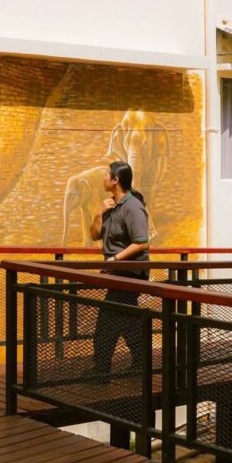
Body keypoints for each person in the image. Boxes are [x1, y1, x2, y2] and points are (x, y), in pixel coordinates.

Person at [86, 160, 149, 379]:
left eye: (106, 174)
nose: (103, 178)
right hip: (118, 273)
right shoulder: (111, 205)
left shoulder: (133, 207)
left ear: (116, 180)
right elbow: (95, 235)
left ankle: (101, 370)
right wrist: (98, 213)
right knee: (128, 321)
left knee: (107, 323)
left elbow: (141, 242)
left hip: (129, 273)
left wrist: (113, 260)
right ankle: (141, 365)